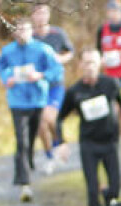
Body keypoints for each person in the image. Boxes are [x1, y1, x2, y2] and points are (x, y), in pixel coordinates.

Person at [55, 49, 121, 206]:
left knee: (115, 189)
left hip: (111, 142)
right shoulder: (74, 91)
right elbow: (59, 119)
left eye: (93, 63)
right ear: (81, 65)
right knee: (92, 193)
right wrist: (62, 143)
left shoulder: (110, 84)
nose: (90, 67)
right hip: (89, 145)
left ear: (99, 64)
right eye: (86, 63)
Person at [0, 17, 62, 203]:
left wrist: (40, 75)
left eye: (25, 29)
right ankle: (25, 184)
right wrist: (7, 77)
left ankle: (29, 160)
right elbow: (1, 67)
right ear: (14, 32)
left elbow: (57, 71)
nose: (21, 33)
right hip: (17, 101)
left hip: (37, 100)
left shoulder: (42, 49)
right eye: (18, 29)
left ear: (31, 30)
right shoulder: (7, 51)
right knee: (21, 141)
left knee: (31, 139)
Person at [30, 3, 74, 174]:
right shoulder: (30, 36)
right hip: (37, 86)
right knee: (40, 125)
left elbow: (70, 52)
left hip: (55, 84)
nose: (40, 17)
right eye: (37, 13)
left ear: (48, 15)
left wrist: (59, 59)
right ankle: (50, 156)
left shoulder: (57, 34)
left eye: (43, 13)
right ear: (33, 16)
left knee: (49, 117)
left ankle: (59, 143)